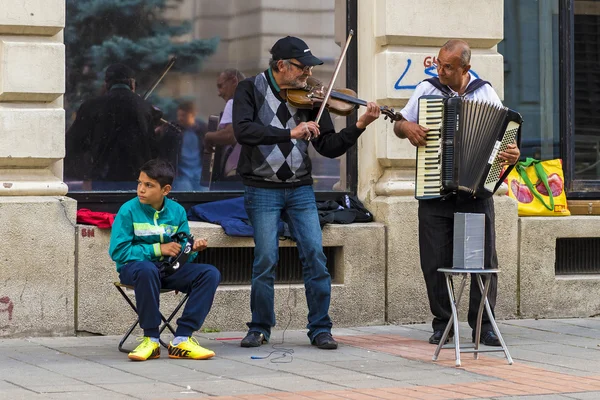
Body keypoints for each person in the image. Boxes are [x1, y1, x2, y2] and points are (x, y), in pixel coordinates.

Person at [233, 36, 381, 350]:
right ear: (281, 65)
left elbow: (328, 146)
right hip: (262, 189)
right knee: (265, 259)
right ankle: (259, 327)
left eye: (310, 68)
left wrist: (360, 125)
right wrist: (290, 133)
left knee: (315, 255)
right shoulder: (249, 89)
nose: (308, 75)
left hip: (300, 189)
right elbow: (243, 131)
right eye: (302, 68)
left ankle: (320, 328)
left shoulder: (312, 97)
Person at [393, 39, 521, 347]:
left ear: (465, 68)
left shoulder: (485, 92)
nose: (440, 70)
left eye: (447, 67)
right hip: (434, 191)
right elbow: (399, 122)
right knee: (434, 261)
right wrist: (407, 128)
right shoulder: (426, 90)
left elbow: (504, 137)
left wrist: (512, 153)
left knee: (481, 260)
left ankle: (483, 324)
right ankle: (443, 323)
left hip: (475, 194)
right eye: (438, 63)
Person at [109, 159, 221, 361]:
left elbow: (182, 251)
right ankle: (151, 339)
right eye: (140, 183)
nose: (141, 189)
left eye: (149, 185)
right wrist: (157, 248)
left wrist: (192, 249)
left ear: (165, 190)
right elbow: (118, 252)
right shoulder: (128, 210)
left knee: (209, 273)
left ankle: (182, 339)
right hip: (135, 270)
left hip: (168, 270)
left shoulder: (177, 212)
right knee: (146, 270)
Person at [65, 63, 158, 191]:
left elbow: (74, 144)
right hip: (137, 181)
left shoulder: (91, 106)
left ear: (107, 84)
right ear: (132, 83)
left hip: (102, 179)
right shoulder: (145, 107)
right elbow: (154, 148)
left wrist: (85, 175)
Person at [204, 69, 246, 188]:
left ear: (234, 80)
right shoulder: (255, 102)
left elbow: (230, 136)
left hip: (235, 176)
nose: (219, 93)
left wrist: (208, 137)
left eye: (221, 86)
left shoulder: (233, 102)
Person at [170, 101, 207, 191]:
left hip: (199, 173)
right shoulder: (174, 130)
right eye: (179, 115)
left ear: (193, 114)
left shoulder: (202, 130)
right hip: (182, 174)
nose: (180, 118)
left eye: (183, 115)